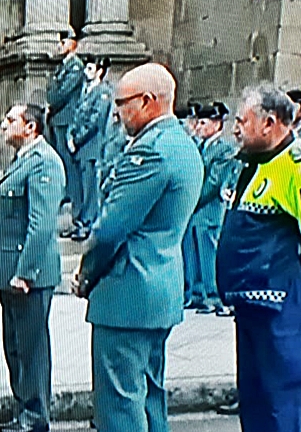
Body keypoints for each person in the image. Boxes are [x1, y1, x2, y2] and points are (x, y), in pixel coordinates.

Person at [72, 63, 203, 432]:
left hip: (128, 295)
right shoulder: (183, 144)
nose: (116, 112)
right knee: (149, 400)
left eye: (122, 103)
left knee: (119, 408)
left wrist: (85, 276)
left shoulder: (150, 152)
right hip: (159, 291)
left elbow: (110, 230)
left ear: (148, 102)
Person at [217, 84, 301, 432]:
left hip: (283, 308)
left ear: (270, 122)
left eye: (243, 120)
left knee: (282, 404)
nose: (236, 128)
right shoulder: (257, 163)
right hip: (254, 306)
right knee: (256, 402)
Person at [0, 104, 64, 432]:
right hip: (11, 271)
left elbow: (41, 224)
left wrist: (25, 272)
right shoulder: (24, 160)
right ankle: (24, 411)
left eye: (11, 119)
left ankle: (35, 416)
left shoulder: (44, 162)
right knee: (15, 346)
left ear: (30, 127)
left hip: (29, 274)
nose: (4, 124)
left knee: (31, 349)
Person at [182, 102, 239, 316]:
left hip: (208, 209)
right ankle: (196, 294)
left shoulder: (223, 150)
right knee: (192, 251)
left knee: (208, 254)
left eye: (204, 123)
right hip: (195, 210)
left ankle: (215, 295)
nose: (198, 126)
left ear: (216, 125)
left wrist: (193, 200)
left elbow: (213, 182)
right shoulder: (199, 147)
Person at [67, 56, 113, 241]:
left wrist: (77, 139)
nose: (86, 71)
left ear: (99, 72)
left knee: (90, 189)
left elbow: (94, 121)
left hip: (91, 147)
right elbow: (76, 115)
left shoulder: (103, 93)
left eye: (90, 68)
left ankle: (88, 224)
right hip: (80, 148)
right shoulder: (86, 91)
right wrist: (70, 136)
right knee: (80, 187)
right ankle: (80, 222)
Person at [45, 30, 86, 214]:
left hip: (66, 118)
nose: (59, 46)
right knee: (60, 158)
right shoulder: (63, 66)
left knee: (67, 161)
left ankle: (71, 198)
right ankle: (64, 194)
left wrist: (52, 102)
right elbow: (52, 89)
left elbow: (62, 92)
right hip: (57, 118)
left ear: (73, 44)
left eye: (63, 42)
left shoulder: (76, 66)